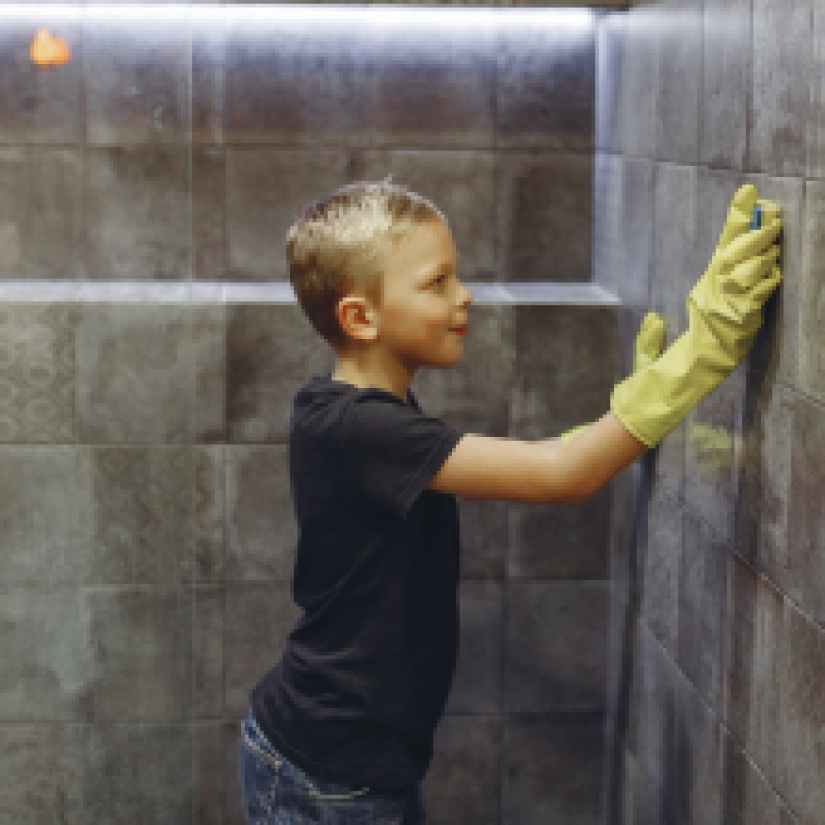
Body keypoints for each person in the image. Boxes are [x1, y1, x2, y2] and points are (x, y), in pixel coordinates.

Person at [238, 176, 783, 825]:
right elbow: (559, 473)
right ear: (360, 316)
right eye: (436, 282)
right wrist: (703, 349)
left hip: (347, 764)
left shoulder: (364, 415)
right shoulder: (357, 427)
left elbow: (554, 457)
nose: (462, 295)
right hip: (325, 775)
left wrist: (648, 400)